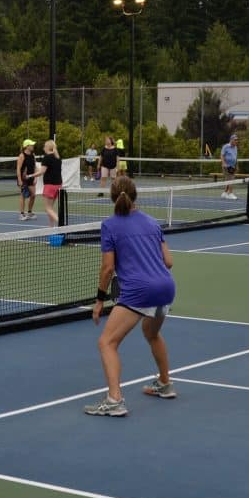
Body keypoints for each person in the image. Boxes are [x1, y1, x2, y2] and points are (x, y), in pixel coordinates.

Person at [84, 176, 177, 417]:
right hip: (166, 288)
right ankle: (165, 383)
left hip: (139, 291)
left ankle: (114, 400)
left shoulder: (109, 225)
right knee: (151, 332)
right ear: (135, 196)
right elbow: (168, 261)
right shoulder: (152, 222)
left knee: (107, 342)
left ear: (113, 197)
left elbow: (108, 269)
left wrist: (99, 300)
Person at [27, 140, 62, 226]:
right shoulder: (58, 158)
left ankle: (62, 224)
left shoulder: (47, 158)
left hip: (50, 186)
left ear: (47, 147)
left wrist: (30, 175)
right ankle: (51, 227)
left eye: (44, 146)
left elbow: (42, 172)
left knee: (47, 209)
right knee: (50, 208)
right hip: (58, 185)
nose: (43, 148)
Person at [16, 139, 37, 220]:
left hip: (31, 177)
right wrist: (20, 180)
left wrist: (35, 177)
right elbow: (18, 168)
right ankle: (21, 214)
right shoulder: (22, 156)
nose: (33, 146)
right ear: (27, 146)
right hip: (23, 179)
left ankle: (29, 212)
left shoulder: (33, 155)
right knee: (23, 196)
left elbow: (35, 167)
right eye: (31, 145)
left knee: (33, 195)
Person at [220, 134, 239, 200]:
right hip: (227, 166)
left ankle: (225, 193)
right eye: (235, 140)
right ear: (231, 140)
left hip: (233, 166)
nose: (236, 141)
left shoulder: (235, 147)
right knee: (230, 180)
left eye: (237, 140)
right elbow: (222, 155)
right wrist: (224, 163)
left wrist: (237, 165)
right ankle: (230, 193)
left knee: (230, 180)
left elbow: (235, 157)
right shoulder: (226, 146)